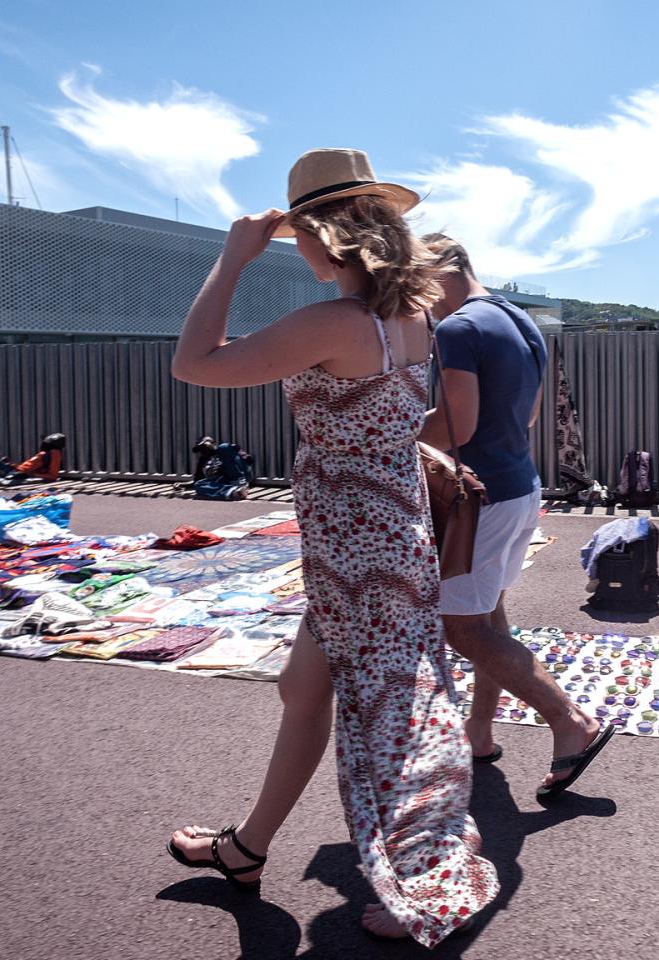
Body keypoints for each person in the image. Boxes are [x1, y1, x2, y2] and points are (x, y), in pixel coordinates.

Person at [163, 149, 495, 946]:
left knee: (392, 715)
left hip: (354, 548)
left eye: (296, 235)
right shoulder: (410, 315)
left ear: (329, 235)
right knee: (304, 689)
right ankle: (248, 847)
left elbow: (192, 364)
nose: (294, 249)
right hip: (390, 535)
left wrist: (232, 259)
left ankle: (427, 874)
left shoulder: (334, 324)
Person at [419, 233, 615, 802]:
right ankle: (478, 733)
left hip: (480, 497)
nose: (417, 299)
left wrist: (389, 436)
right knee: (488, 615)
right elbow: (527, 415)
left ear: (441, 271)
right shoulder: (520, 320)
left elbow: (461, 420)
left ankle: (570, 722)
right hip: (521, 486)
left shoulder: (456, 329)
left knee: (463, 626)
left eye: (417, 283)